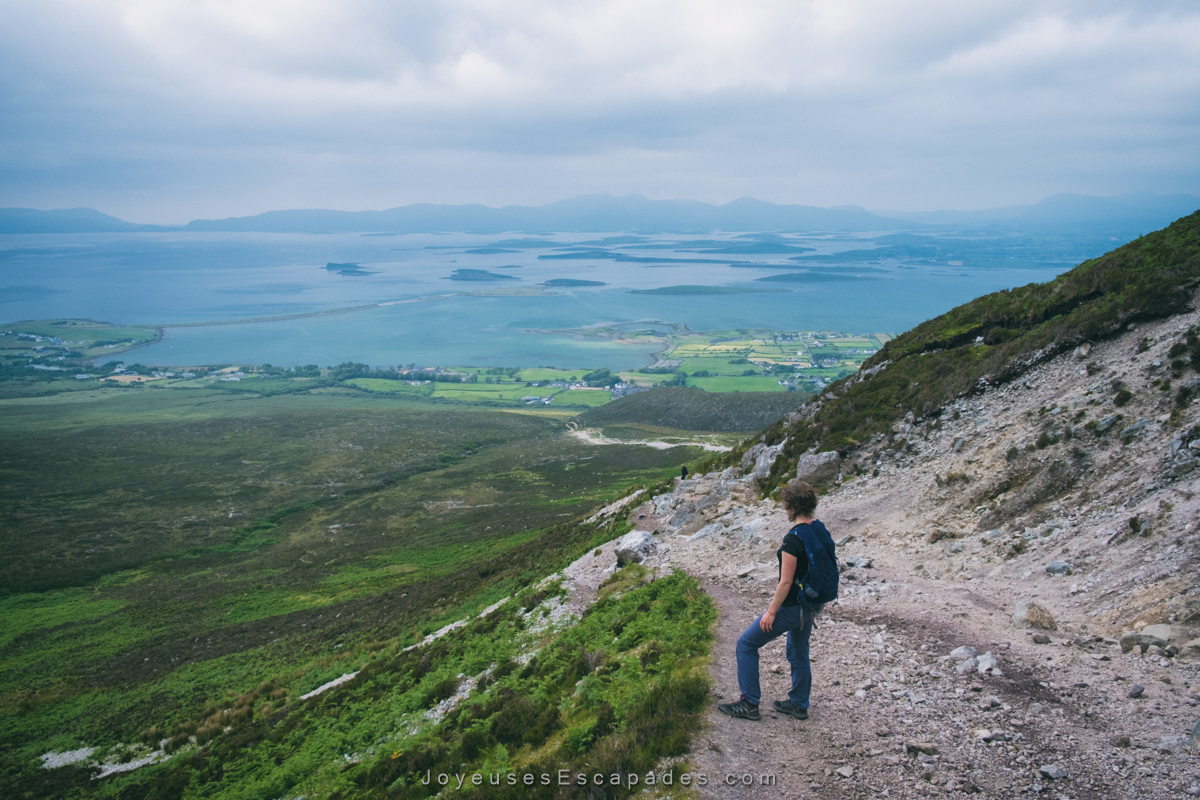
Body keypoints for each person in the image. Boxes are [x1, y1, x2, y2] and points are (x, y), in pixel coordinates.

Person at [717, 479, 833, 722]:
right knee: (798, 651)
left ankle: (749, 703)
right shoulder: (819, 529)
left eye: (785, 504)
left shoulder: (793, 540)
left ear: (790, 506)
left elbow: (785, 582)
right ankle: (799, 704)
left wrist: (771, 612)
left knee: (746, 644)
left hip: (793, 607)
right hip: (812, 605)